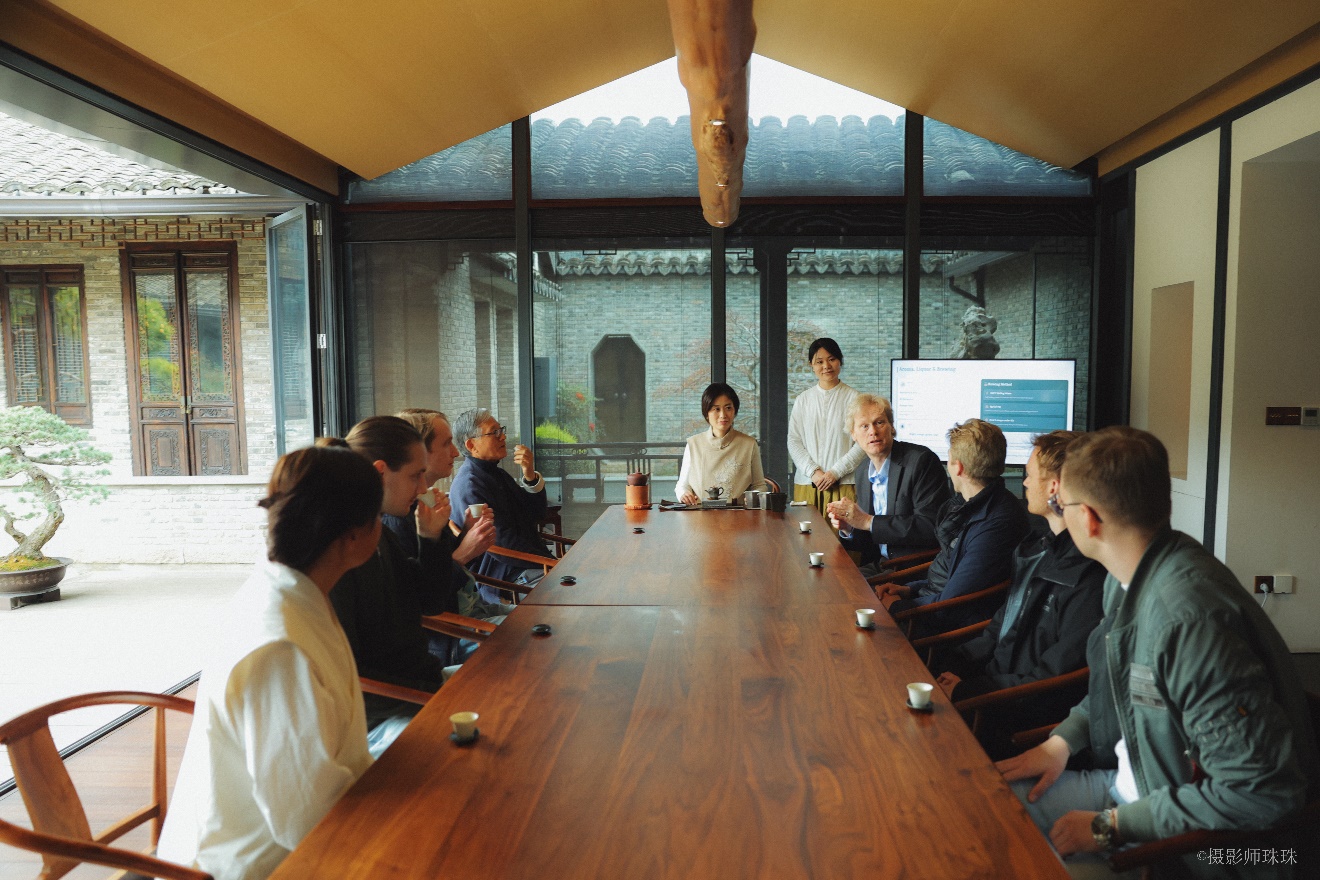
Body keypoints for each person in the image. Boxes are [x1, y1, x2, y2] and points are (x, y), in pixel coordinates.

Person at [996, 427, 1319, 879]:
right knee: (981, 807)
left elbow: (1261, 793)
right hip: (1136, 789)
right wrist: (1061, 742)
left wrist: (1110, 828)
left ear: (1088, 519)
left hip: (1198, 848)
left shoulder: (1187, 622)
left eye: (1061, 503)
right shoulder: (1128, 574)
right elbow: (1122, 684)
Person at [158, 443, 380, 880]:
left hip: (310, 828)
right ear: (354, 535)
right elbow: (303, 817)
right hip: (256, 863)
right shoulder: (281, 647)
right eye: (377, 518)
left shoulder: (289, 587)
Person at [932, 430, 1105, 759]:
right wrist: (952, 665)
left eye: (1028, 475)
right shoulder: (1037, 551)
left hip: (1011, 720)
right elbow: (1000, 629)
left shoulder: (1089, 577)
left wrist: (969, 691)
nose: (1024, 482)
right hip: (992, 692)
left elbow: (1053, 679)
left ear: (1053, 487)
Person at [330, 416, 464, 754]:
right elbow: (349, 675)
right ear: (380, 472)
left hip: (421, 687)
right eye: (415, 476)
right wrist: (434, 696)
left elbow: (430, 602)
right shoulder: (341, 553)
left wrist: (430, 537)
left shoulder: (378, 533)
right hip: (387, 712)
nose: (421, 489)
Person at [874, 418, 1030, 637]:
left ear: (959, 468)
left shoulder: (996, 523)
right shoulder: (969, 506)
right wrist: (909, 589)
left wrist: (897, 607)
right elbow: (948, 575)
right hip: (928, 606)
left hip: (941, 630)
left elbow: (953, 604)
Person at [390, 407, 509, 620]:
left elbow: (442, 559)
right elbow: (423, 602)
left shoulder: (425, 501)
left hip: (476, 607)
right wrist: (464, 553)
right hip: (458, 627)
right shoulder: (397, 518)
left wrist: (466, 533)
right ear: (419, 452)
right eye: (446, 444)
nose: (456, 452)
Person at [826, 393, 950, 570]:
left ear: (891, 426)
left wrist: (867, 521)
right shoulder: (862, 471)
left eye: (879, 423)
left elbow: (931, 527)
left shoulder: (921, 461)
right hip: (881, 565)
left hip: (915, 568)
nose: (873, 432)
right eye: (864, 426)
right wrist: (849, 527)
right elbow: (869, 541)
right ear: (853, 434)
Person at [448, 407, 554, 591]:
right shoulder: (470, 485)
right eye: (494, 432)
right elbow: (503, 545)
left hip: (530, 564)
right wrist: (553, 563)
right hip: (506, 577)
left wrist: (529, 474)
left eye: (501, 430)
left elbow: (536, 514)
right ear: (471, 445)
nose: (503, 437)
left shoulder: (495, 473)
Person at [787, 337, 865, 514]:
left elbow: (862, 443)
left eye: (832, 359)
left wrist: (835, 472)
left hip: (844, 483)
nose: (826, 366)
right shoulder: (803, 400)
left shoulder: (855, 399)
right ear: (811, 365)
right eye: (819, 362)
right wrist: (813, 471)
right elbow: (793, 440)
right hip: (808, 483)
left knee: (842, 530)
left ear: (840, 360)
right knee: (807, 531)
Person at [674, 382, 768, 505]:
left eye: (728, 408)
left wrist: (754, 497)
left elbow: (760, 485)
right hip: (700, 513)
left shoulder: (749, 444)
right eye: (716, 409)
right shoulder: (694, 444)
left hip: (738, 514)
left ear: (735, 410)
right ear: (706, 413)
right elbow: (682, 485)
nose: (723, 415)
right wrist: (684, 494)